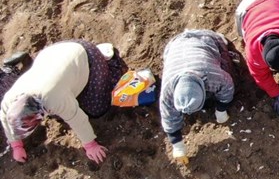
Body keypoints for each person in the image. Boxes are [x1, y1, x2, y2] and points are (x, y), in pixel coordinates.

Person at [1, 40, 129, 164]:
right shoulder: (10, 99)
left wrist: (90, 145)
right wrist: (16, 145)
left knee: (97, 108)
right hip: (53, 52)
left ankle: (106, 59)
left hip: (84, 54)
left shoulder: (52, 98)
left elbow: (77, 119)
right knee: (60, 109)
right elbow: (4, 117)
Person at [159, 30, 237, 165]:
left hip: (204, 39)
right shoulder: (167, 90)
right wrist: (177, 146)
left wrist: (221, 109)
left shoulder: (211, 74)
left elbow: (228, 86)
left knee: (228, 65)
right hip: (174, 46)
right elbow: (168, 116)